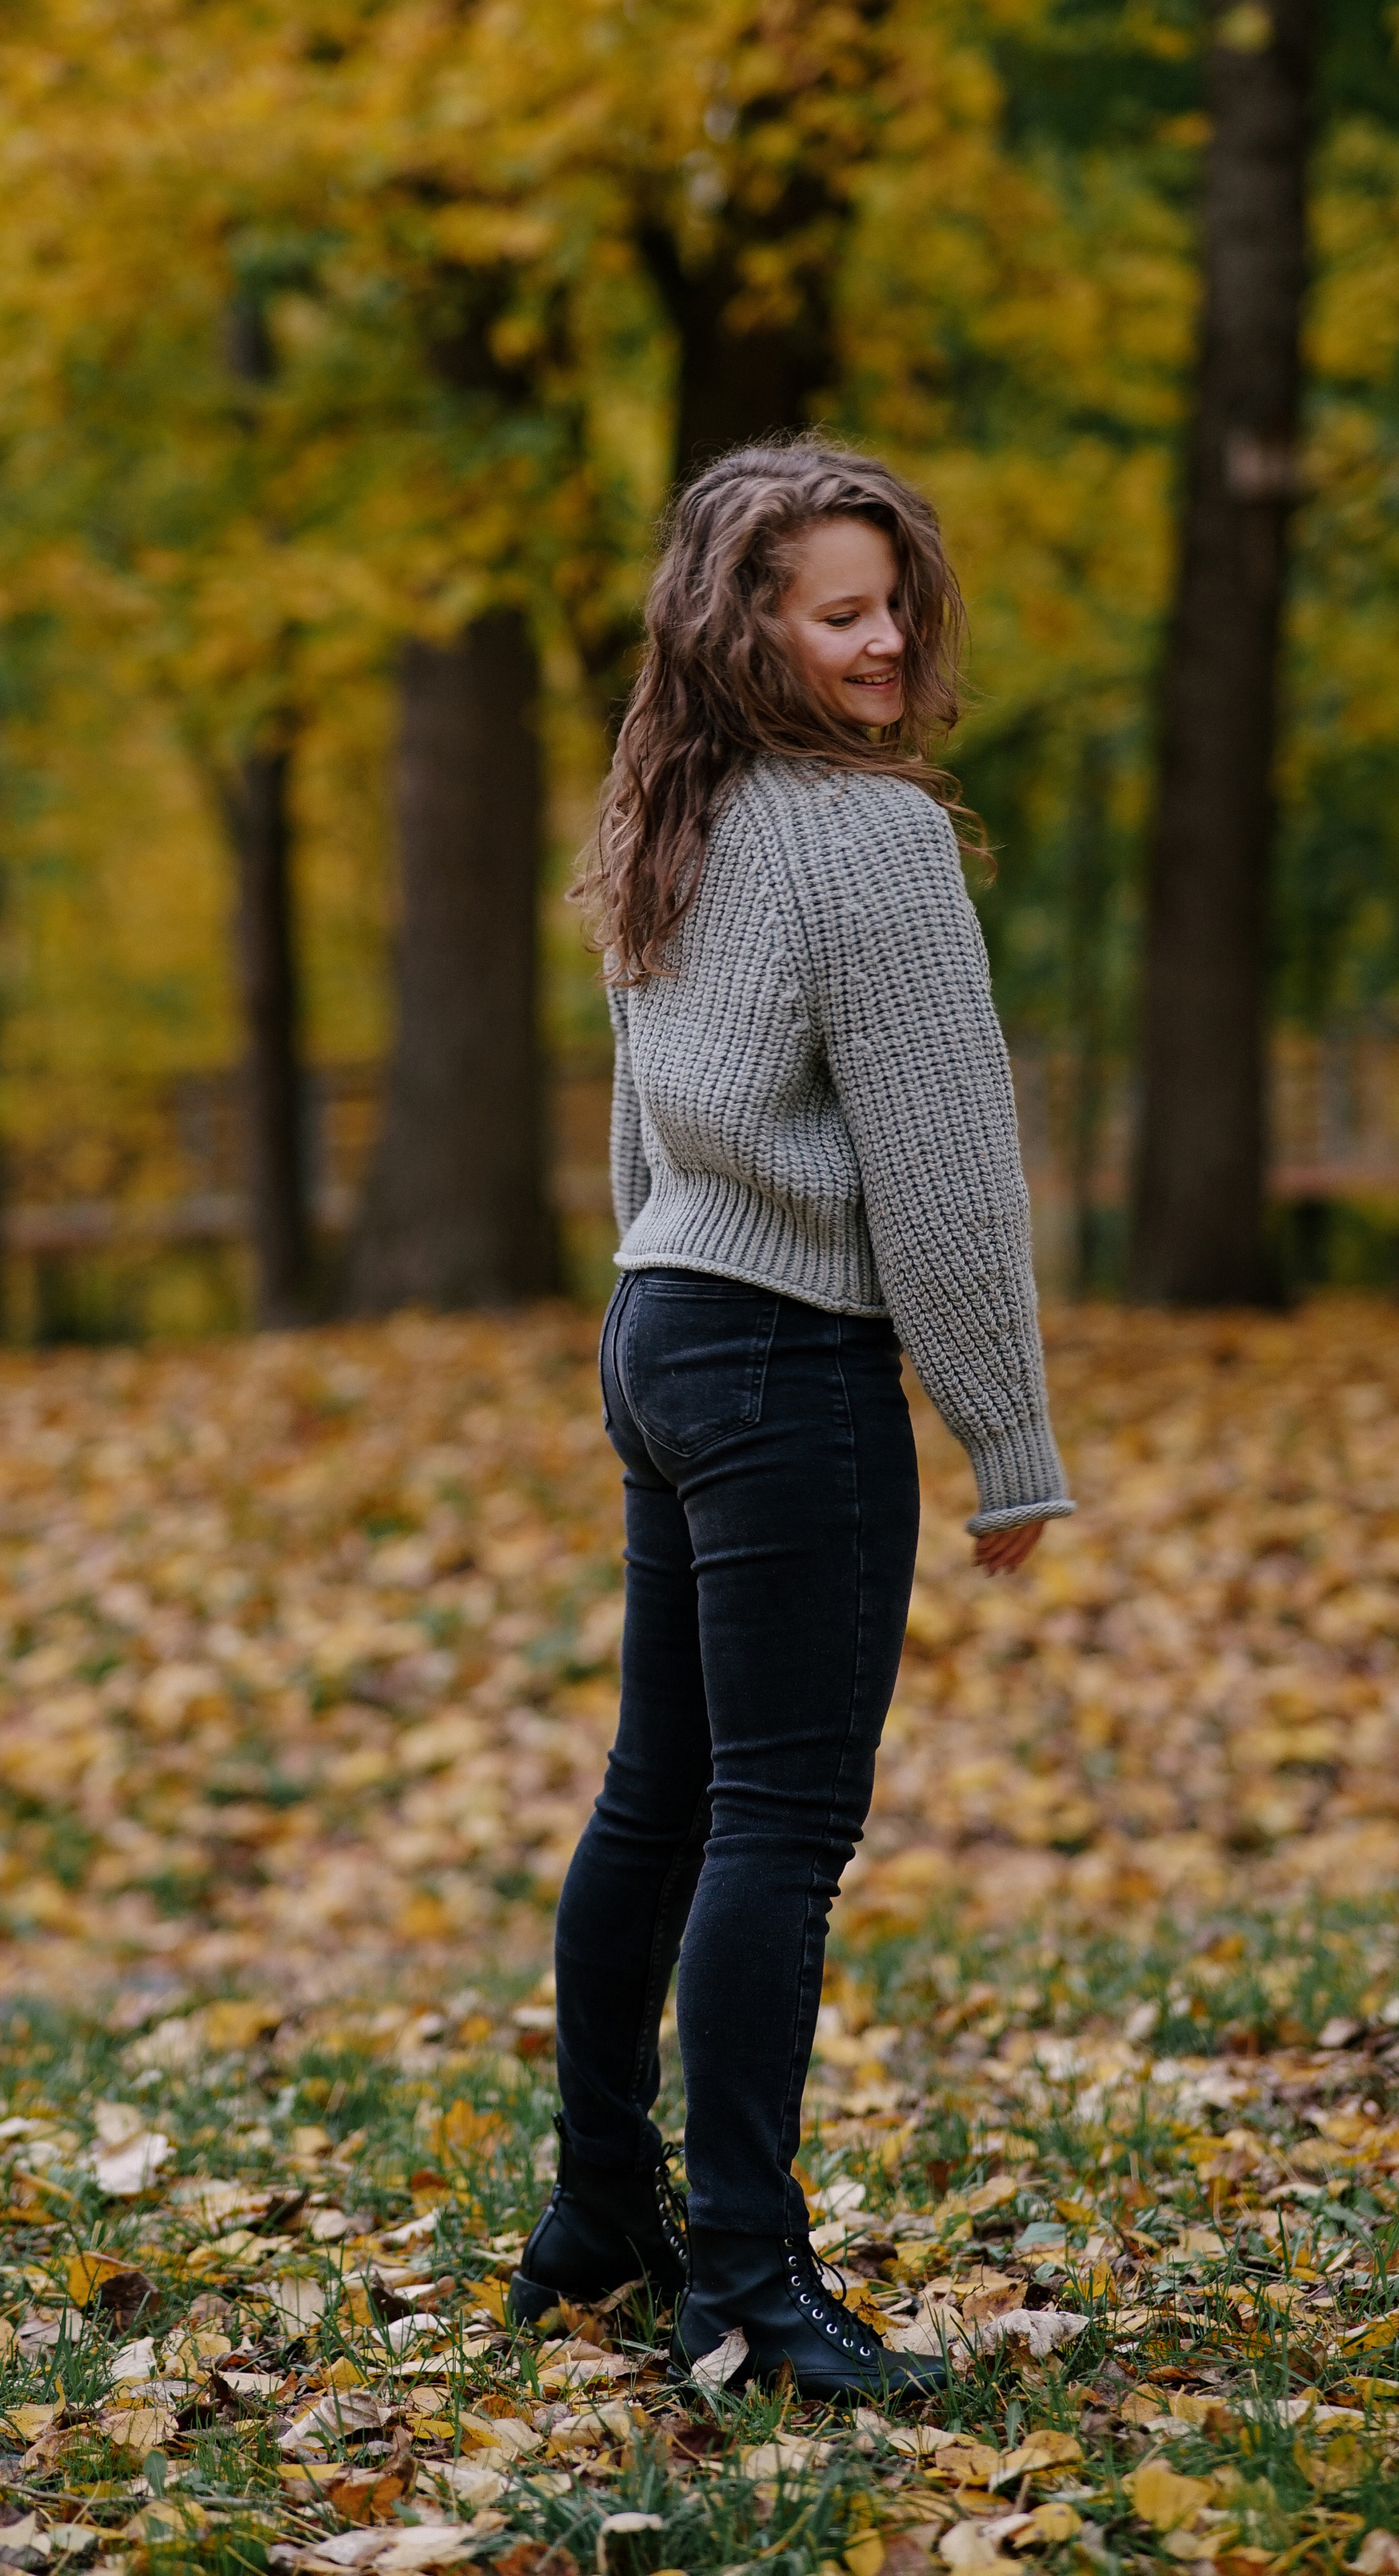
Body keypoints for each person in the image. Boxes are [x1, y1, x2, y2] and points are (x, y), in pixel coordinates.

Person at [510, 441, 1072, 2399]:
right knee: (774, 1821)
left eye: (893, 603)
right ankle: (745, 2287)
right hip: (781, 1357)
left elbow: (635, 1123)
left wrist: (646, 1300)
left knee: (655, 1794)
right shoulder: (864, 837)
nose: (885, 638)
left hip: (665, 1325)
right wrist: (1006, 1430)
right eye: (838, 612)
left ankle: (601, 2215)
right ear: (740, 627)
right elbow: (946, 1171)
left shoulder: (668, 808)